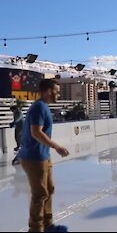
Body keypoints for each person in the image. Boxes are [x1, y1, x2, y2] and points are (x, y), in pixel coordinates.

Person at [17, 79, 70, 232]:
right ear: (48, 91)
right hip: (33, 157)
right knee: (40, 194)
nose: (58, 95)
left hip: (43, 155)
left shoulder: (43, 107)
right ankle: (35, 229)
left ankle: (47, 225)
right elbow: (36, 132)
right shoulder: (39, 107)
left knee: (49, 189)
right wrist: (57, 146)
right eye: (57, 91)